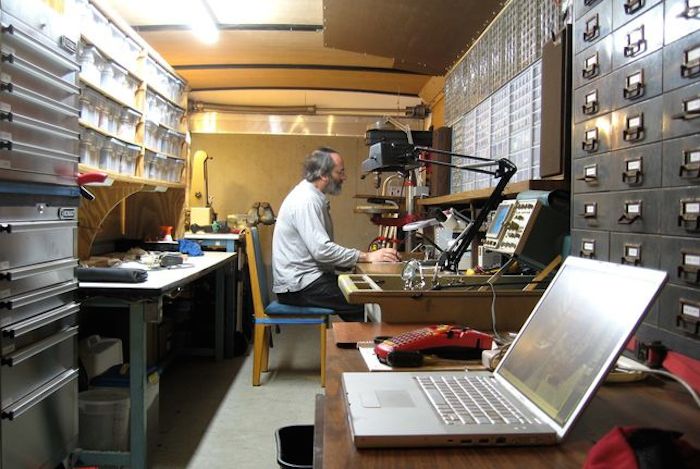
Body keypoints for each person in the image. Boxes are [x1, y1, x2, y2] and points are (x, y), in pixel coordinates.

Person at [272, 147, 400, 321]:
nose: (344, 177)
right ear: (323, 174)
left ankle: (363, 337)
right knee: (369, 303)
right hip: (299, 288)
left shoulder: (311, 196)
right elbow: (322, 251)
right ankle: (373, 338)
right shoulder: (307, 201)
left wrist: (356, 261)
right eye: (340, 172)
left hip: (306, 281)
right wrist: (366, 256)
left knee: (363, 293)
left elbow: (319, 252)